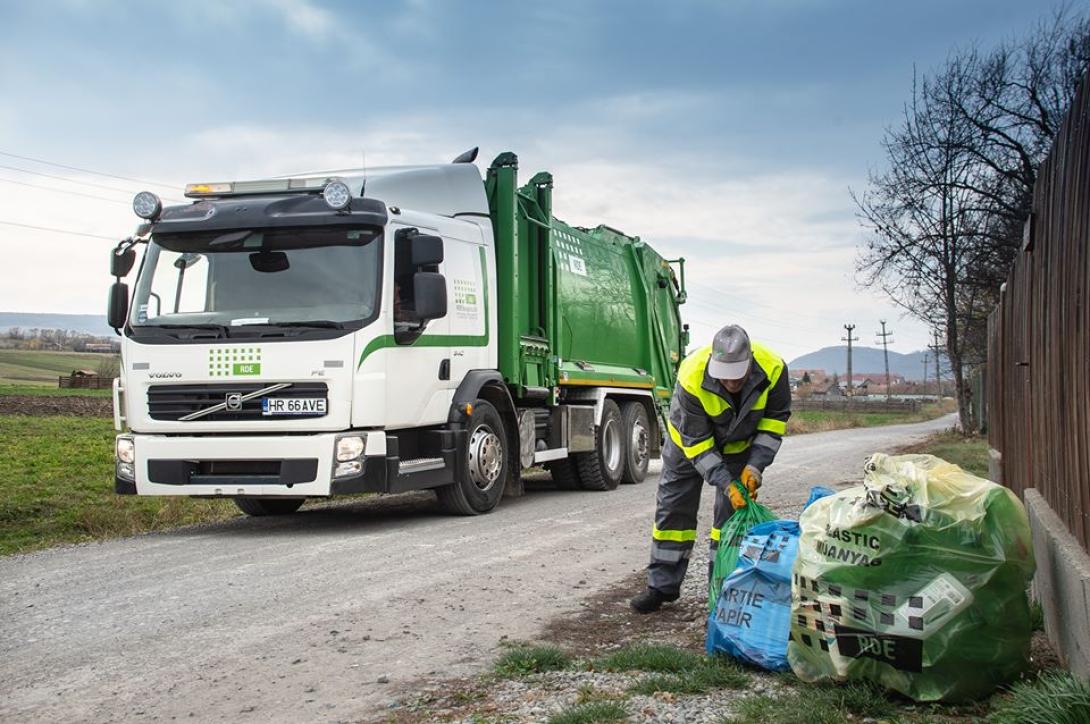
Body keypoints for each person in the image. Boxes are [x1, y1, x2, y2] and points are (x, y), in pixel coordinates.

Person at [630, 324, 791, 613]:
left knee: (730, 520)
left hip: (739, 450)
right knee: (673, 510)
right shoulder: (691, 374)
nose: (730, 383)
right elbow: (698, 444)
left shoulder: (774, 369)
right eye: (724, 378)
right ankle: (661, 587)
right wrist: (726, 484)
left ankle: (724, 591)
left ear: (750, 361)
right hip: (688, 447)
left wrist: (755, 467)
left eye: (736, 377)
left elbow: (773, 423)